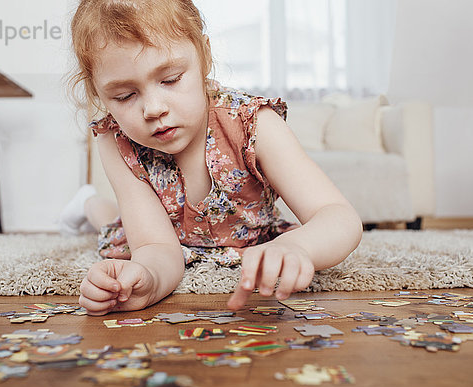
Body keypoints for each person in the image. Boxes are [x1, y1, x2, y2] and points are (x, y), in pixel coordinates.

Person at [65, 0, 363, 316]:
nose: (153, 109)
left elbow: (338, 217)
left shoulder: (253, 123)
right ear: (97, 92)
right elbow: (157, 247)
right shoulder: (116, 141)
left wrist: (296, 247)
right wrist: (149, 279)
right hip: (163, 235)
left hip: (246, 235)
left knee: (114, 218)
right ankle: (86, 203)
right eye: (124, 96)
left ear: (204, 56)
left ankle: (88, 202)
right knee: (111, 224)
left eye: (170, 79)